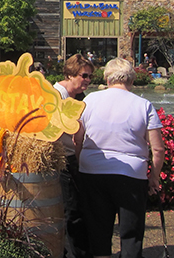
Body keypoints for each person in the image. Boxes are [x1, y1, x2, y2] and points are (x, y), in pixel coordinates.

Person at [74, 58, 165, 258]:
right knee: (131, 232)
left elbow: (77, 140)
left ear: (107, 79)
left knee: (98, 230)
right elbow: (157, 149)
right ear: (131, 80)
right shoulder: (144, 105)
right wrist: (154, 177)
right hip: (131, 174)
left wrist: (82, 163)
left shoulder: (88, 101)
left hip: (93, 170)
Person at [53, 54, 94, 258]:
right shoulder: (57, 95)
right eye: (84, 75)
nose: (87, 80)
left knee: (78, 207)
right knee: (72, 209)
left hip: (74, 156)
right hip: (62, 158)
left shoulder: (78, 97)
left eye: (90, 77)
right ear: (70, 74)